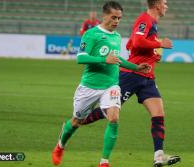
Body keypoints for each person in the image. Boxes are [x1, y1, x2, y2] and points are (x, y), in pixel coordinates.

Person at [81, 0, 181, 166]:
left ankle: (158, 156)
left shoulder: (152, 23)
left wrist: (153, 54)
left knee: (158, 114)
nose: (166, 6)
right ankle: (78, 121)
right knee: (107, 112)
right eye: (164, 3)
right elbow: (136, 41)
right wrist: (159, 44)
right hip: (131, 75)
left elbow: (130, 45)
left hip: (147, 77)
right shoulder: (145, 20)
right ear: (157, 5)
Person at [52, 1, 150, 167]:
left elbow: (117, 60)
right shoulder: (91, 34)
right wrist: (104, 59)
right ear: (104, 15)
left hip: (111, 85)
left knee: (114, 118)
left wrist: (136, 67)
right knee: (76, 122)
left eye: (119, 18)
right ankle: (60, 146)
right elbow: (81, 58)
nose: (117, 21)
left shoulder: (117, 36)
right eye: (113, 17)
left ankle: (104, 162)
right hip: (89, 86)